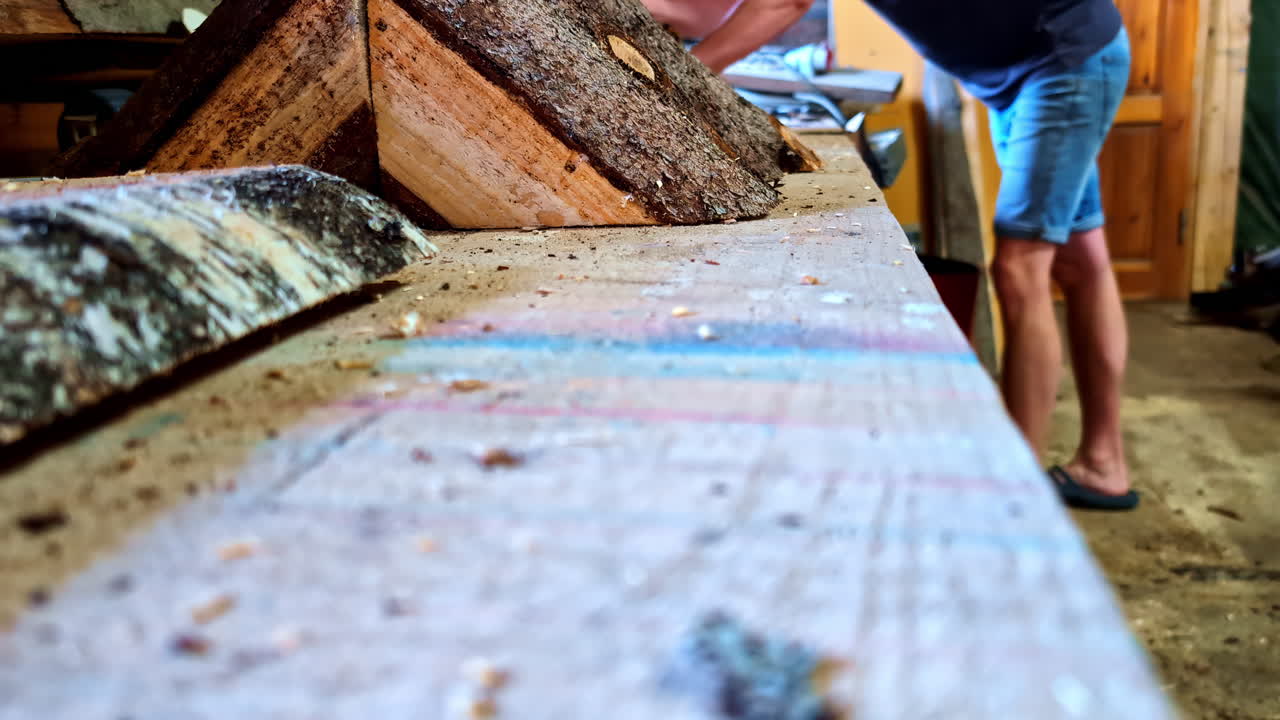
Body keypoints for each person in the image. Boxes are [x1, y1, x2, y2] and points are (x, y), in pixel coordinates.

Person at [642, 0, 1138, 510]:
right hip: (1031, 70)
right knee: (1081, 261)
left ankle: (1019, 501)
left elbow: (783, 3)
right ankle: (1104, 464)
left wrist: (686, 76)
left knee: (1020, 270)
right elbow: (707, 11)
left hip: (1058, 60)